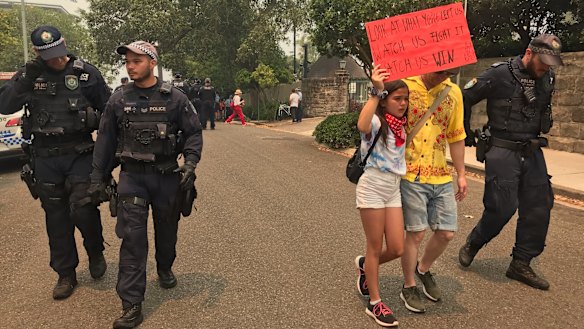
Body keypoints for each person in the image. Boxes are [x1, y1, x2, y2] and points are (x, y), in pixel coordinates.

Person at [89, 40, 203, 328]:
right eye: (128, 61)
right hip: (133, 178)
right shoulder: (118, 99)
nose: (130, 65)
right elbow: (105, 141)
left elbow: (193, 133)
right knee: (133, 241)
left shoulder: (175, 98)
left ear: (152, 63)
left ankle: (165, 267)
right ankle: (131, 304)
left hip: (166, 177)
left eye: (137, 60)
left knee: (167, 233)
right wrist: (97, 178)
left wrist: (190, 164)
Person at [0, 25, 109, 300]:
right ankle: (65, 273)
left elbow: (109, 110)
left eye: (59, 53)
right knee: (57, 217)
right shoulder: (29, 75)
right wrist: (25, 77)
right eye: (48, 55)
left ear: (65, 45)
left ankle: (95, 250)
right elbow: (4, 105)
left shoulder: (86, 73)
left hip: (81, 153)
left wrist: (110, 156)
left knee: (83, 209)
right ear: (37, 52)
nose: (56, 60)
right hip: (46, 157)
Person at [459, 34, 562, 291]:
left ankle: (521, 262)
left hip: (532, 149)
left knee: (540, 206)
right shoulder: (499, 74)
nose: (546, 67)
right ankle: (475, 241)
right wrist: (465, 133)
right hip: (502, 149)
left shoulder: (547, 77)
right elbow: (465, 96)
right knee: (502, 206)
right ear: (529, 52)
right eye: (543, 61)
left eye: (551, 63)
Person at [399, 68, 467, 313]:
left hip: (440, 174)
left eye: (449, 73)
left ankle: (423, 269)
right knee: (415, 233)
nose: (443, 77)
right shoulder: (406, 85)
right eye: (440, 72)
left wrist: (461, 173)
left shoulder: (453, 93)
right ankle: (408, 285)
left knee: (446, 232)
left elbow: (456, 136)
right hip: (410, 173)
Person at [354, 65, 408, 327]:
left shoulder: (402, 126)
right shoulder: (376, 121)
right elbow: (361, 123)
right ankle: (375, 302)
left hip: (393, 188)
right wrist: (376, 90)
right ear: (385, 100)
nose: (403, 103)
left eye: (405, 99)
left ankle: (365, 266)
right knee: (375, 246)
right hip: (373, 186)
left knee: (397, 247)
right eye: (397, 98)